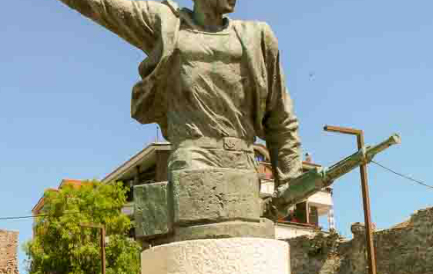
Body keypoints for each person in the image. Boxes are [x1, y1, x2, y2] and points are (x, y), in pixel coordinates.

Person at [57, 0, 302, 198]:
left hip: (243, 163)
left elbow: (280, 117)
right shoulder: (168, 24)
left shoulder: (257, 37)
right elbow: (103, 5)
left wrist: (290, 181)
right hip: (192, 159)